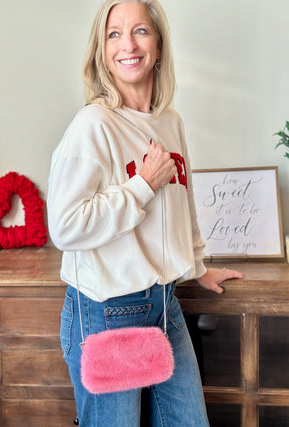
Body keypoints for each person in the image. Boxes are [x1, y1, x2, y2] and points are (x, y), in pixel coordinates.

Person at [47, 1, 243, 425]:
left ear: (158, 44)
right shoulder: (94, 124)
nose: (127, 44)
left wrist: (195, 266)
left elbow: (181, 204)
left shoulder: (170, 121)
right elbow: (65, 226)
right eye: (113, 34)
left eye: (139, 31)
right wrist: (141, 186)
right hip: (109, 312)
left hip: (163, 304)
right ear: (102, 51)